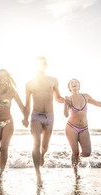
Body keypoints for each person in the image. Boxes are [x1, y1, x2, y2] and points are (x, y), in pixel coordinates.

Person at [64, 78, 101, 178]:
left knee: (87, 152)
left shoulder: (86, 96)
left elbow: (98, 103)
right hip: (71, 127)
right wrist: (65, 103)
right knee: (75, 152)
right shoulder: (69, 99)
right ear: (69, 87)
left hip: (84, 128)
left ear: (79, 86)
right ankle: (76, 174)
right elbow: (65, 114)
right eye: (72, 83)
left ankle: (78, 158)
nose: (74, 84)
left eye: (76, 82)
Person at [23, 57, 65, 185]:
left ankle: (43, 154)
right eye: (38, 65)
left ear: (45, 66)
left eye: (42, 65)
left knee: (45, 146)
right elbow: (27, 104)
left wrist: (67, 100)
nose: (40, 67)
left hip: (49, 116)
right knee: (36, 144)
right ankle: (38, 175)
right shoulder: (29, 84)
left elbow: (57, 98)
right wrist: (25, 117)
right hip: (36, 115)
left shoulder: (53, 80)